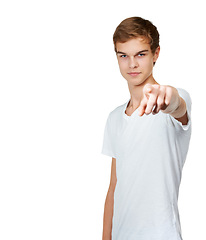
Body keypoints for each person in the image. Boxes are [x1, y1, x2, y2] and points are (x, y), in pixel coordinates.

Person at [101, 16, 192, 240]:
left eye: (140, 54)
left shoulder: (173, 103)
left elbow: (176, 105)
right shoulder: (114, 118)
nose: (132, 64)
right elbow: (114, 187)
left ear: (156, 54)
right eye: (124, 56)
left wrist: (167, 96)